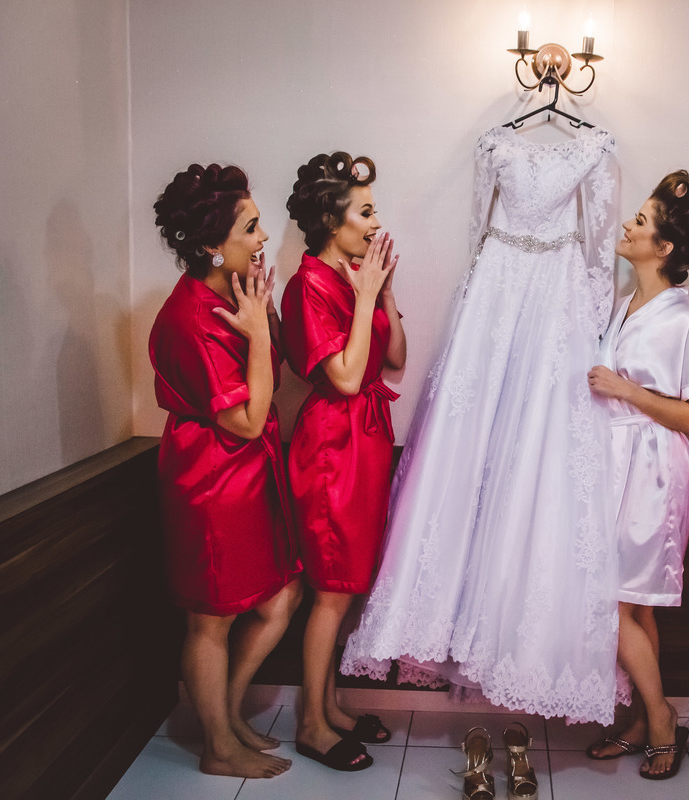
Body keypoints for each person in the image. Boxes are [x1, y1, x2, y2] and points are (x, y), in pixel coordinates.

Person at [340, 124, 623, 725]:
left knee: (533, 447)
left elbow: (599, 255)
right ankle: (440, 625)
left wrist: (594, 333)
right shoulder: (499, 144)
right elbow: (493, 235)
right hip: (507, 287)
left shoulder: (592, 149)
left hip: (541, 294)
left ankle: (509, 644)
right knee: (473, 444)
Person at [149, 163, 303, 779]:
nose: (263, 237)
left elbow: (275, 373)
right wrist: (259, 337)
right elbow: (246, 418)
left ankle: (229, 716)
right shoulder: (190, 316)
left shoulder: (231, 293)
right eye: (251, 227)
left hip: (249, 476)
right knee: (210, 618)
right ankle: (217, 745)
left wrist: (264, 320)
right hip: (211, 480)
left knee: (280, 596)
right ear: (213, 244)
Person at [586, 171, 689, 779]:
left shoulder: (685, 317)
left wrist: (627, 390)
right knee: (636, 607)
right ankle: (644, 721)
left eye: (640, 221)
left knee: (614, 602)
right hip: (612, 461)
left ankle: (663, 718)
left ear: (664, 247)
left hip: (654, 470)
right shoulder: (624, 305)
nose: (628, 224)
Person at [281, 152, 405, 772]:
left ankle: (329, 706)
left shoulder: (355, 277)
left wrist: (384, 292)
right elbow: (349, 378)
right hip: (332, 446)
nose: (376, 222)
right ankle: (311, 724)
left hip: (367, 441)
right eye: (366, 211)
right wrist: (365, 298)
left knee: (348, 584)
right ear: (332, 221)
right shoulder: (307, 285)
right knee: (330, 589)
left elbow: (396, 358)